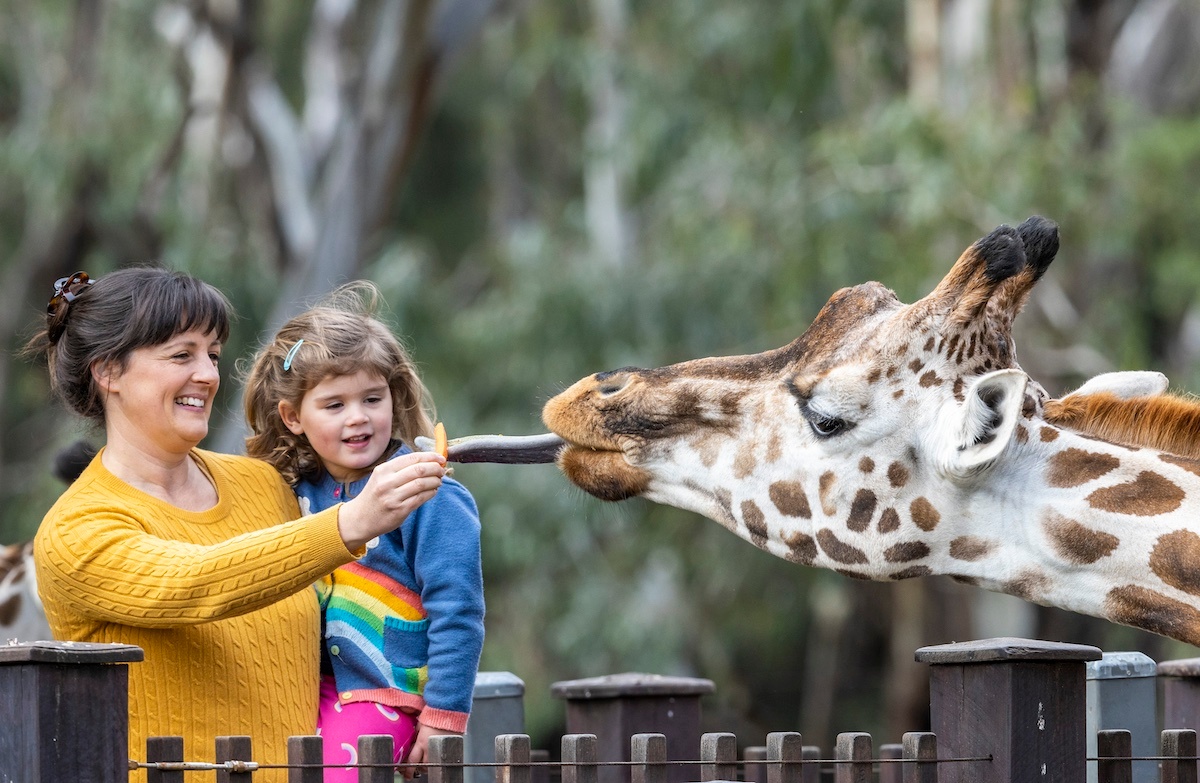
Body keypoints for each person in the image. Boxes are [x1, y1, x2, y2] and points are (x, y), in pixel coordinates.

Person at [28, 268, 447, 781]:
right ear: (108, 372)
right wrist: (352, 522)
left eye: (213, 354)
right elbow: (197, 582)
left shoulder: (264, 484)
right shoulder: (75, 530)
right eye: (182, 355)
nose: (206, 374)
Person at [243, 282, 484, 782]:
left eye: (372, 398)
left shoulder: (425, 492)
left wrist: (443, 719)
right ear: (292, 417)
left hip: (386, 693)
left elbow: (458, 609)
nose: (358, 418)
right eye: (334, 406)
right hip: (304, 690)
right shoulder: (292, 493)